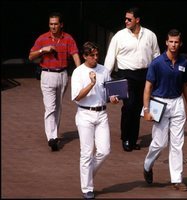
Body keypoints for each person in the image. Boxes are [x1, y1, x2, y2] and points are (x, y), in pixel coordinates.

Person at [104, 6, 160, 151]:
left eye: (129, 19)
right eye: (125, 18)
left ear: (137, 20)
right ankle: (126, 138)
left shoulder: (150, 35)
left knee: (137, 107)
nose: (126, 21)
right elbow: (110, 58)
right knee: (128, 106)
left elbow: (156, 56)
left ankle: (133, 139)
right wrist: (105, 79)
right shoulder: (119, 36)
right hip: (126, 75)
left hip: (144, 75)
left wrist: (158, 76)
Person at [143, 29, 187, 191]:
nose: (173, 45)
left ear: (180, 43)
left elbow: (186, 85)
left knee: (177, 143)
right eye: (171, 41)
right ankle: (147, 165)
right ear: (166, 43)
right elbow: (148, 87)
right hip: (159, 103)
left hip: (177, 102)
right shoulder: (156, 63)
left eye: (176, 42)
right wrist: (146, 109)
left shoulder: (184, 63)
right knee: (160, 142)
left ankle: (176, 179)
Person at [71, 42, 119, 199]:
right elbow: (77, 96)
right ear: (85, 56)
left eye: (97, 55)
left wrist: (112, 97)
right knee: (86, 153)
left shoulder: (104, 70)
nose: (96, 58)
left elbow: (108, 91)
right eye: (92, 55)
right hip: (85, 115)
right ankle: (87, 188)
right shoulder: (78, 73)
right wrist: (91, 83)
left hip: (101, 114)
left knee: (104, 150)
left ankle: (86, 174)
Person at [29, 12, 81, 151]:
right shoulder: (42, 38)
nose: (53, 26)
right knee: (50, 107)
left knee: (58, 106)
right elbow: (30, 56)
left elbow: (75, 54)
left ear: (61, 24)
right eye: (51, 24)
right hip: (47, 74)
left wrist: (81, 71)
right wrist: (42, 50)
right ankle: (51, 138)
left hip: (62, 74)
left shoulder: (68, 38)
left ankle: (54, 133)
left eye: (56, 24)